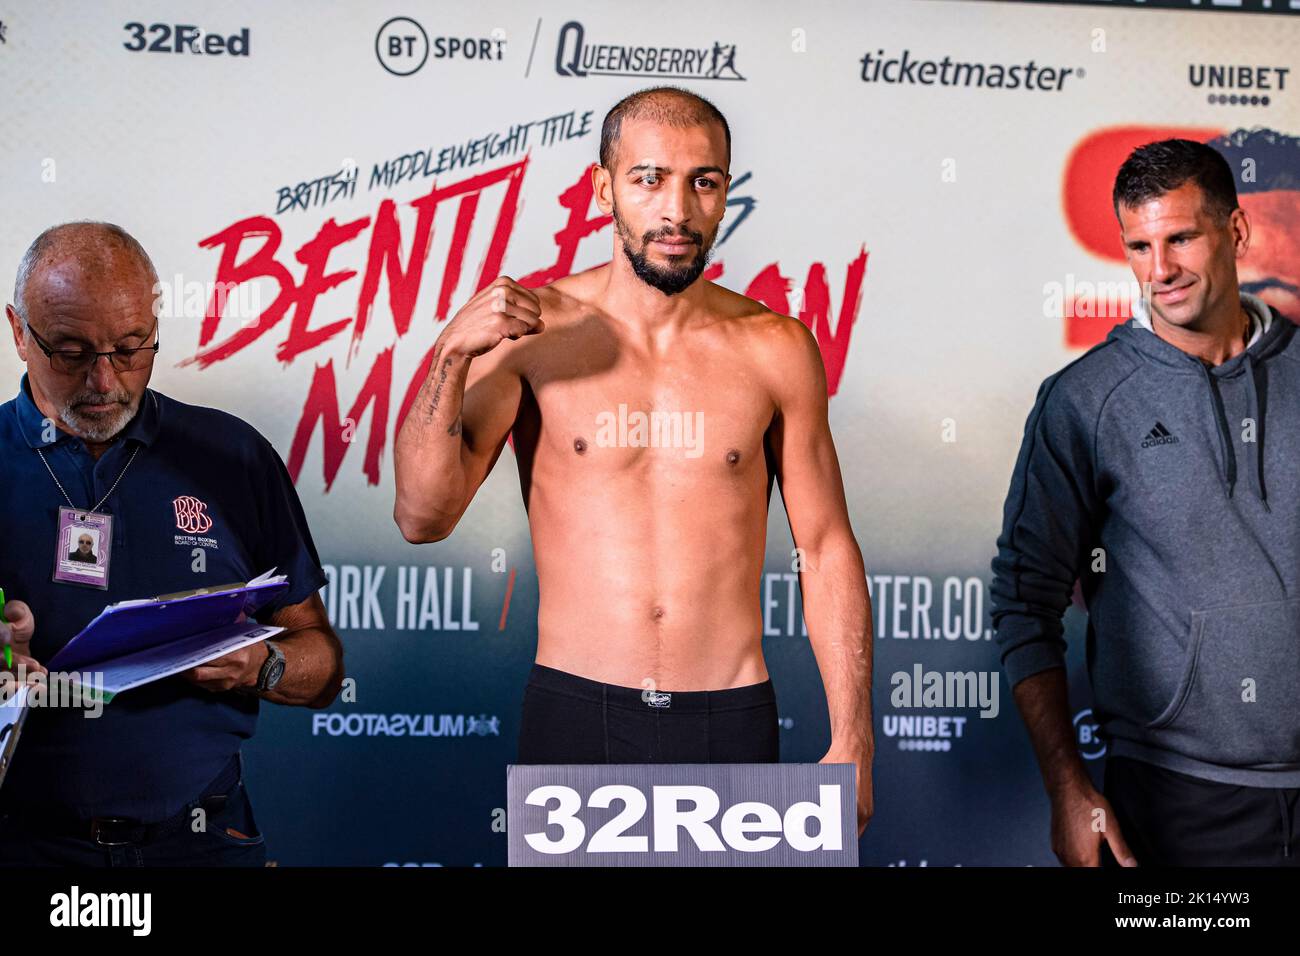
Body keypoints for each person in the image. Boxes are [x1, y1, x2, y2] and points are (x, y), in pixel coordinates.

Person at [394, 86, 873, 834]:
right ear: (603, 187)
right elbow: (423, 515)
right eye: (649, 179)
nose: (676, 211)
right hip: (577, 712)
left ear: (724, 193)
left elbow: (825, 546)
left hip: (730, 715)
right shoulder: (532, 333)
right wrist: (450, 355)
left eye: (702, 182)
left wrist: (855, 736)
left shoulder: (777, 348)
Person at [992, 139, 1300, 866]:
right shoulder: (1087, 401)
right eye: (1139, 246)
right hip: (1175, 803)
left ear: (1236, 232)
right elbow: (1022, 602)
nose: (1159, 271)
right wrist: (1069, 789)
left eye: (1181, 239)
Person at [0, 221, 344, 866]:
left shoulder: (232, 456)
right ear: (19, 332)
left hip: (204, 844)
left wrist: (261, 666)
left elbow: (322, 666)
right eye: (71, 353)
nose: (105, 382)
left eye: (131, 348)